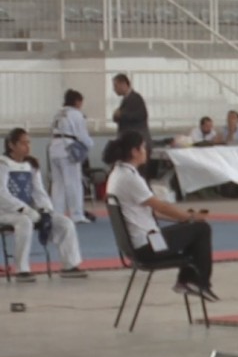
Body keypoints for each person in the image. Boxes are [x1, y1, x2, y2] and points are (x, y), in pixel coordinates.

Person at [103, 130, 218, 301]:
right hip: (147, 246)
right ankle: (197, 281)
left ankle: (189, 280)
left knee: (192, 229)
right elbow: (161, 206)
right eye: (143, 147)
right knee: (202, 229)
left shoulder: (117, 173)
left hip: (139, 244)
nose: (146, 151)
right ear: (134, 151)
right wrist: (191, 218)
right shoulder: (130, 178)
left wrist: (185, 218)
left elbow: (153, 212)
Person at [0, 128, 88, 282]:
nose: (28, 146)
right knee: (24, 222)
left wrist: (46, 210)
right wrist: (24, 209)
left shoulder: (31, 165)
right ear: (11, 145)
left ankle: (69, 265)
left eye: (29, 143)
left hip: (29, 211)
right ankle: (22, 269)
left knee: (65, 223)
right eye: (23, 143)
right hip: (6, 212)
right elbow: (2, 193)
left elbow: (39, 191)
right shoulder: (3, 164)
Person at [49, 89, 95, 224]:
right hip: (68, 150)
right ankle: (76, 214)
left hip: (54, 148)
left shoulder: (58, 113)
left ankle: (57, 214)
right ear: (77, 101)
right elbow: (82, 134)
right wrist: (90, 144)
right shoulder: (76, 114)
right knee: (73, 183)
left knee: (58, 184)